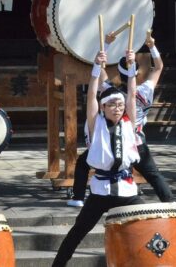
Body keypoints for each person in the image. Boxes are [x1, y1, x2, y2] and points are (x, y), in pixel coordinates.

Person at [67, 33, 176, 211]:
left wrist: (102, 48)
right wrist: (152, 46)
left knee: (86, 163)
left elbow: (98, 78)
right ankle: (169, 200)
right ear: (135, 72)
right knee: (152, 173)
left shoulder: (111, 93)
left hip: (115, 139)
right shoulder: (145, 91)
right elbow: (159, 67)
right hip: (137, 140)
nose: (117, 107)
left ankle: (80, 197)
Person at [52, 48, 142, 266]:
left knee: (144, 223)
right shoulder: (96, 123)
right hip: (101, 189)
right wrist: (95, 67)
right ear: (103, 107)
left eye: (119, 105)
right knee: (79, 230)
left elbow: (131, 94)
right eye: (112, 104)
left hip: (126, 187)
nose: (117, 108)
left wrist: (131, 69)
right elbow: (91, 94)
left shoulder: (128, 121)